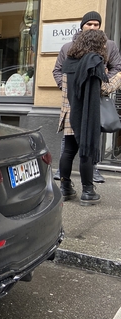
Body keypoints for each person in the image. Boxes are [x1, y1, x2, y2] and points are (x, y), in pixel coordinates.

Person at [52, 11, 121, 183]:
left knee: (90, 142)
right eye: (89, 24)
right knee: (70, 143)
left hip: (95, 102)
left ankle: (87, 176)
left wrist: (102, 84)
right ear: (82, 25)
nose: (92, 27)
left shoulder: (108, 46)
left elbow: (116, 67)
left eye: (96, 24)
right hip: (72, 102)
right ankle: (73, 181)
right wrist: (68, 88)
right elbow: (58, 71)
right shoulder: (69, 47)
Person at [57, 29, 109, 205]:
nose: (104, 46)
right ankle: (88, 191)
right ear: (95, 43)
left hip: (70, 110)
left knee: (69, 150)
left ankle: (65, 188)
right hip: (87, 113)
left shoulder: (69, 62)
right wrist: (116, 79)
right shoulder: (94, 62)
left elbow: (65, 88)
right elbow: (102, 90)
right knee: (86, 151)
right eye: (102, 42)